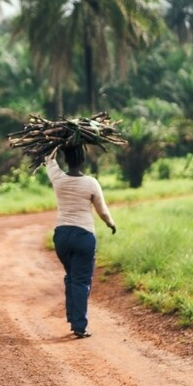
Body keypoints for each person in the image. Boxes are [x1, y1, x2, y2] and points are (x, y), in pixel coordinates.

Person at [45, 144, 116, 339]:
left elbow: (48, 161)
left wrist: (56, 146)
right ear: (83, 160)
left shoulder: (58, 178)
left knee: (71, 276)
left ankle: (72, 317)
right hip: (83, 236)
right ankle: (79, 325)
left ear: (66, 160)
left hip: (62, 237)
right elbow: (102, 210)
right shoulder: (91, 183)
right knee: (80, 280)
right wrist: (111, 223)